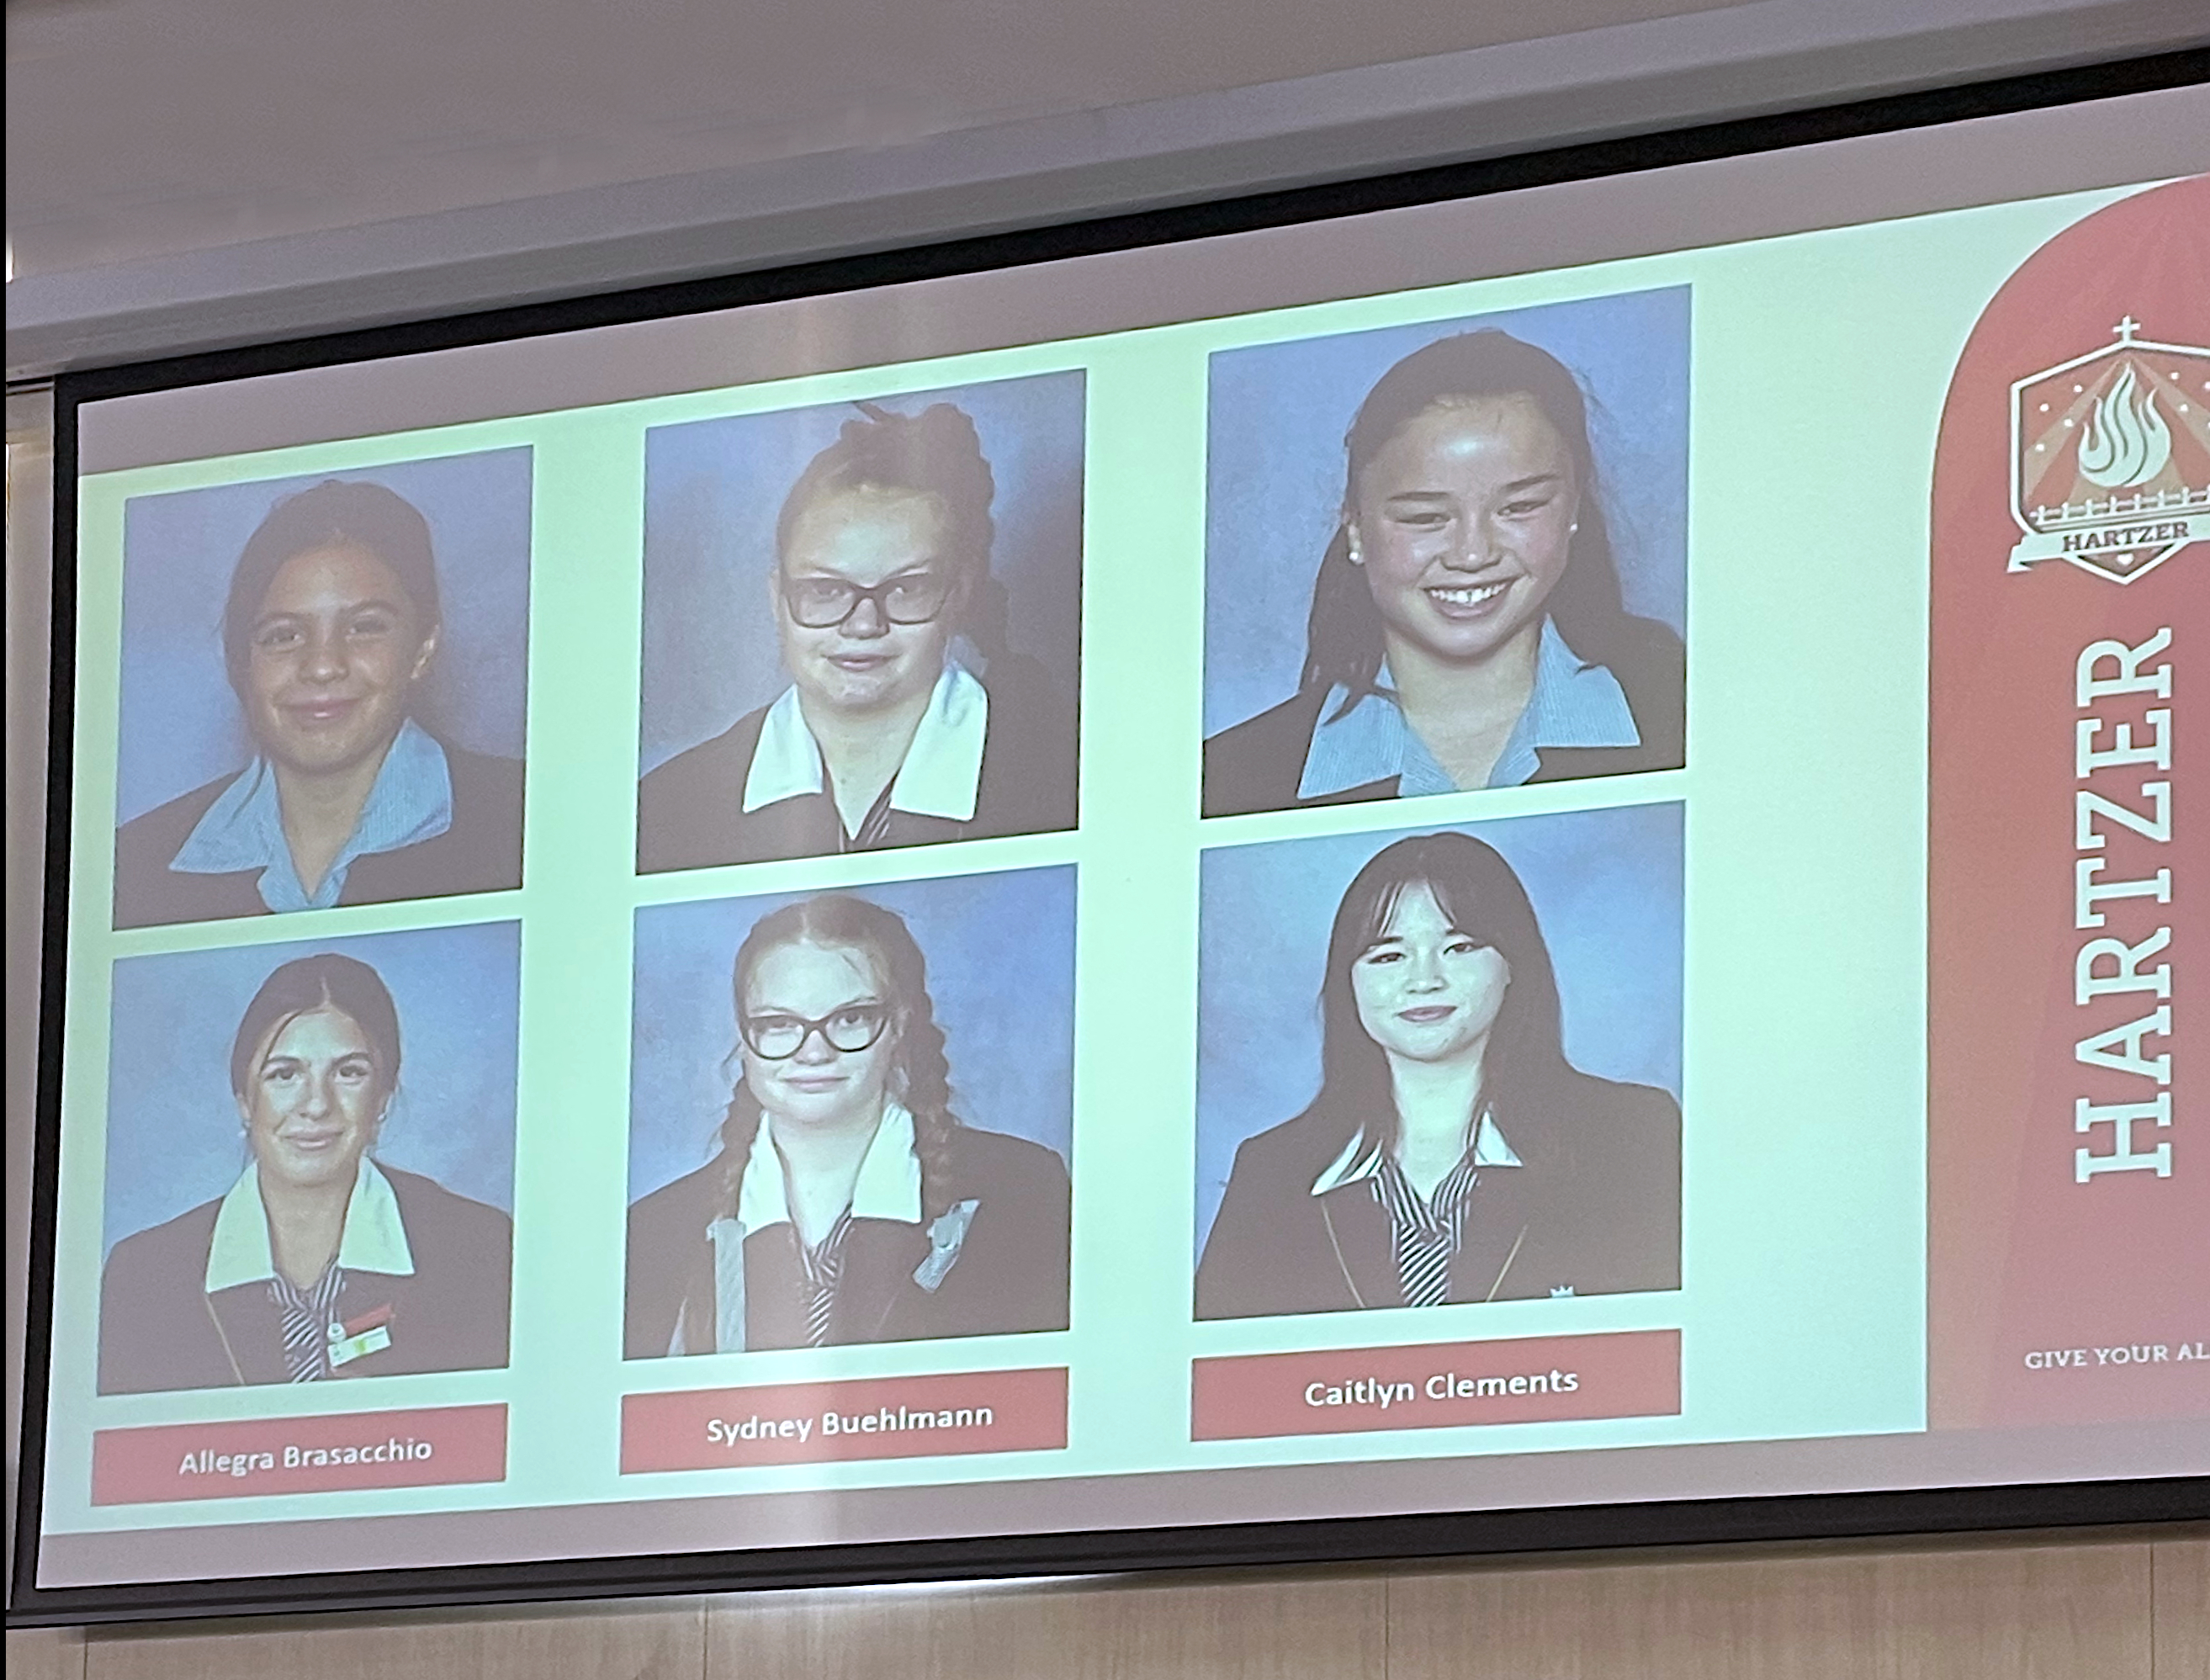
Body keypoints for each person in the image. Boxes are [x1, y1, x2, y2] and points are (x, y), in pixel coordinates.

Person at [1195, 831, 1678, 1319]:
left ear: (1513, 964)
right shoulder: (1272, 1171)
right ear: (1350, 981)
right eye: (1388, 956)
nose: (1424, 980)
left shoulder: (1629, 1132)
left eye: (1460, 947)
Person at [1202, 331, 1685, 818]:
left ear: (1574, 509)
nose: (1472, 555)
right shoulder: (1226, 781)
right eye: (1425, 517)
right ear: (1355, 529)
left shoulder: (1690, 711)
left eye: (1520, 507)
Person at [623, 894, 1071, 1354]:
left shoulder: (1021, 1190)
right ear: (743, 1036)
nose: (814, 1052)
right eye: (779, 1023)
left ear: (899, 1025)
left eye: (850, 1018)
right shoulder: (654, 1232)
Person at [637, 403, 1078, 871]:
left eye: (906, 588)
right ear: (777, 598)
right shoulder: (669, 806)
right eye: (825, 590)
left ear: (959, 593)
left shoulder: (1063, 775)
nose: (864, 625)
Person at [113, 480, 526, 930]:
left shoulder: (527, 819)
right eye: (284, 635)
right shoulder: (132, 865)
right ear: (241, 662)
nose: (323, 666)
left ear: (422, 649)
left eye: (364, 627)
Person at [97, 953, 514, 1393]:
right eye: (285, 1074)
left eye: (349, 1072)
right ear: (245, 1101)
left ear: (383, 1099)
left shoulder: (480, 1249)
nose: (316, 1105)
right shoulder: (145, 1275)